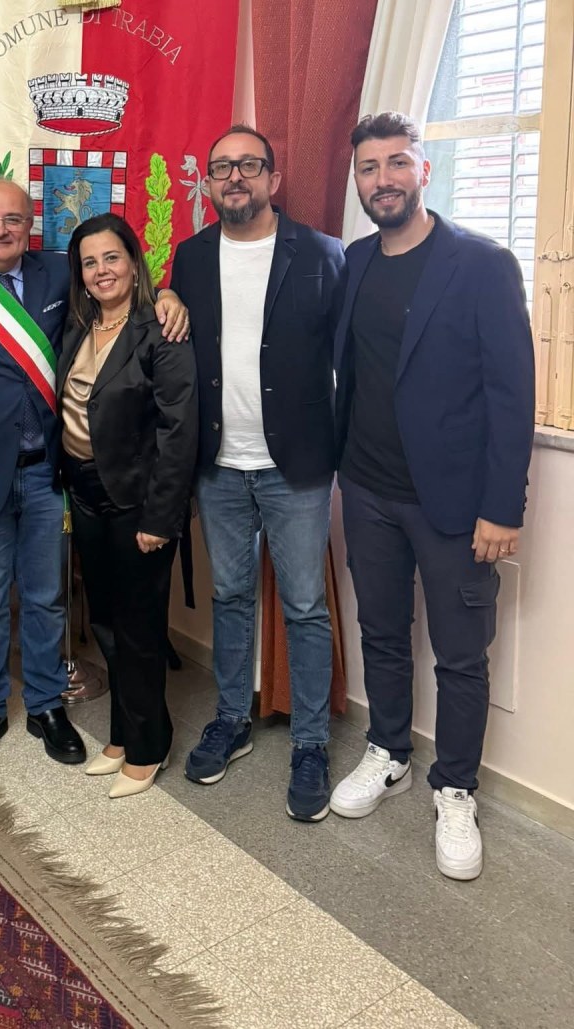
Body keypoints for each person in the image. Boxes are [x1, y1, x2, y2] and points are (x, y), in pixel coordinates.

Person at [0, 178, 188, 770]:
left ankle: (44, 703)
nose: (1, 229)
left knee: (45, 598)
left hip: (47, 475)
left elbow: (119, 292)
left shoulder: (56, 275)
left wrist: (167, 295)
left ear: (29, 225)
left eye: (13, 219)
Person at [330, 111, 535, 880]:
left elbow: (511, 394)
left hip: (452, 504)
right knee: (381, 631)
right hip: (368, 489)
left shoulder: (482, 264)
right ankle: (389, 751)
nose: (382, 178)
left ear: (424, 170)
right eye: (368, 167)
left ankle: (455, 787)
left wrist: (504, 507)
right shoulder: (355, 261)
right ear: (357, 180)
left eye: (396, 163)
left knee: (460, 654)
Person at [171, 125, 346, 821]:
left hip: (296, 466)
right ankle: (231, 720)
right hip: (219, 465)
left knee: (304, 605)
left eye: (248, 165)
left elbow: (349, 359)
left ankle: (310, 743)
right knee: (232, 596)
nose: (234, 177)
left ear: (273, 178)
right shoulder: (189, 256)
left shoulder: (322, 253)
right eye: (221, 168)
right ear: (209, 184)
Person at [59, 214, 197, 798]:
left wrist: (161, 517)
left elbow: (179, 432)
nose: (101, 271)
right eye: (89, 262)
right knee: (107, 624)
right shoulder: (78, 326)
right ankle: (122, 733)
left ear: (134, 262)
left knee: (139, 628)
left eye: (111, 257)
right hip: (85, 494)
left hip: (138, 502)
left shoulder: (160, 329)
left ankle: (149, 747)